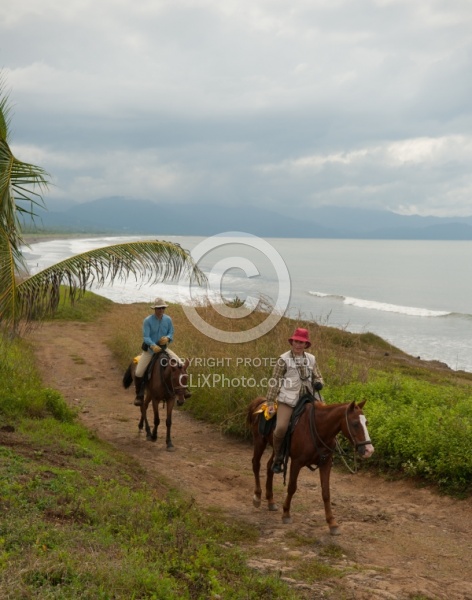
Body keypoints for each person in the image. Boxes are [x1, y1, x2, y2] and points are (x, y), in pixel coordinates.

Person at [265, 327, 324, 474]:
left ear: (306, 345)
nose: (298, 345)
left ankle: (325, 453)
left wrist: (319, 383)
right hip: (288, 400)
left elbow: (318, 376)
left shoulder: (311, 359)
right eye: (296, 342)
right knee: (281, 428)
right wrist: (271, 402)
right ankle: (278, 457)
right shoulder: (283, 359)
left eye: (302, 343)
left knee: (327, 419)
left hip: (309, 397)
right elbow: (275, 381)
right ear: (292, 342)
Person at [133, 298, 191, 406]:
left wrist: (168, 338)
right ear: (154, 309)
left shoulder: (168, 320)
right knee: (139, 372)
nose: (161, 310)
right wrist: (153, 345)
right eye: (158, 308)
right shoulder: (148, 321)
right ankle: (139, 395)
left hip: (164, 349)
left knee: (181, 365)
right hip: (150, 351)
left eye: (163, 308)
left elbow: (171, 332)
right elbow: (146, 336)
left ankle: (183, 390)